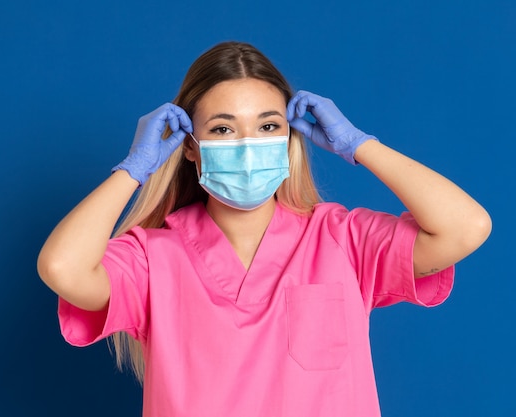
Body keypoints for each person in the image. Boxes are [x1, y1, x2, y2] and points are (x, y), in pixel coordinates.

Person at [37, 41, 491, 417]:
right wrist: (134, 169)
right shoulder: (151, 258)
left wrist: (359, 145)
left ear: (290, 136)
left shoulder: (343, 240)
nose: (249, 146)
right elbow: (63, 267)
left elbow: (466, 227)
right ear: (190, 148)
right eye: (222, 129)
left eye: (268, 126)